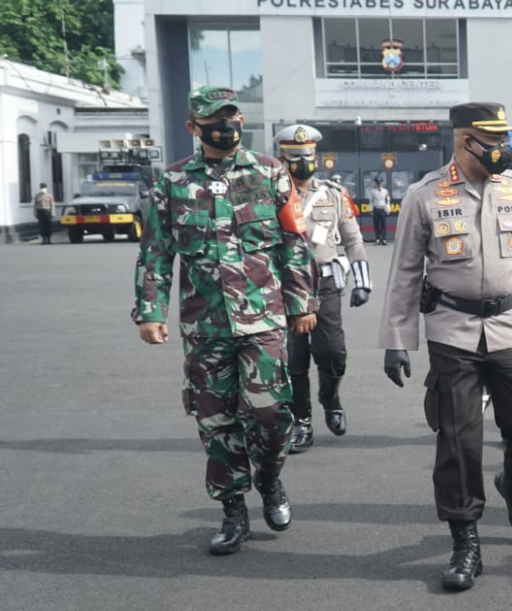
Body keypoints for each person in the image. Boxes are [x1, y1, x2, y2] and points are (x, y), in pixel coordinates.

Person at [379, 102, 512, 591]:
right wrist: (397, 339)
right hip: (452, 331)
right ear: (466, 141)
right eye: (496, 141)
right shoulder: (425, 195)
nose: (505, 150)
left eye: (506, 140)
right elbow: (405, 270)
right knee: (459, 441)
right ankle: (465, 540)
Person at [132, 86, 318, 555]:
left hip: (264, 320)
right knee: (216, 422)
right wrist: (151, 311)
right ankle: (233, 509)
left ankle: (270, 479)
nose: (227, 125)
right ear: (194, 127)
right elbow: (155, 252)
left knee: (272, 415)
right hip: (206, 326)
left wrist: (303, 303)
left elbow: (293, 243)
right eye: (216, 119)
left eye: (233, 117)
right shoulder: (171, 184)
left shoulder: (271, 173)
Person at [273, 125, 370, 454]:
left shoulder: (333, 194)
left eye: (308, 156)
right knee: (293, 360)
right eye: (295, 156)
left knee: (332, 352)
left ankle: (331, 398)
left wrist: (363, 281)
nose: (303, 161)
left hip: (326, 283)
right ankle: (302, 421)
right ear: (282, 159)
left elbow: (354, 239)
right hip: (284, 287)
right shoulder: (269, 195)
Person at [369, 177, 391, 245]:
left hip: (382, 208)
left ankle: (383, 239)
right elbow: (371, 201)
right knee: (376, 225)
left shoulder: (385, 191)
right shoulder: (372, 191)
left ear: (382, 183)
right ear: (375, 183)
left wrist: (388, 209)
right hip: (376, 208)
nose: (378, 184)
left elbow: (387, 201)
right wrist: (371, 209)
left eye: (380, 183)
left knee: (383, 224)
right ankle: (377, 239)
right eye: (377, 183)